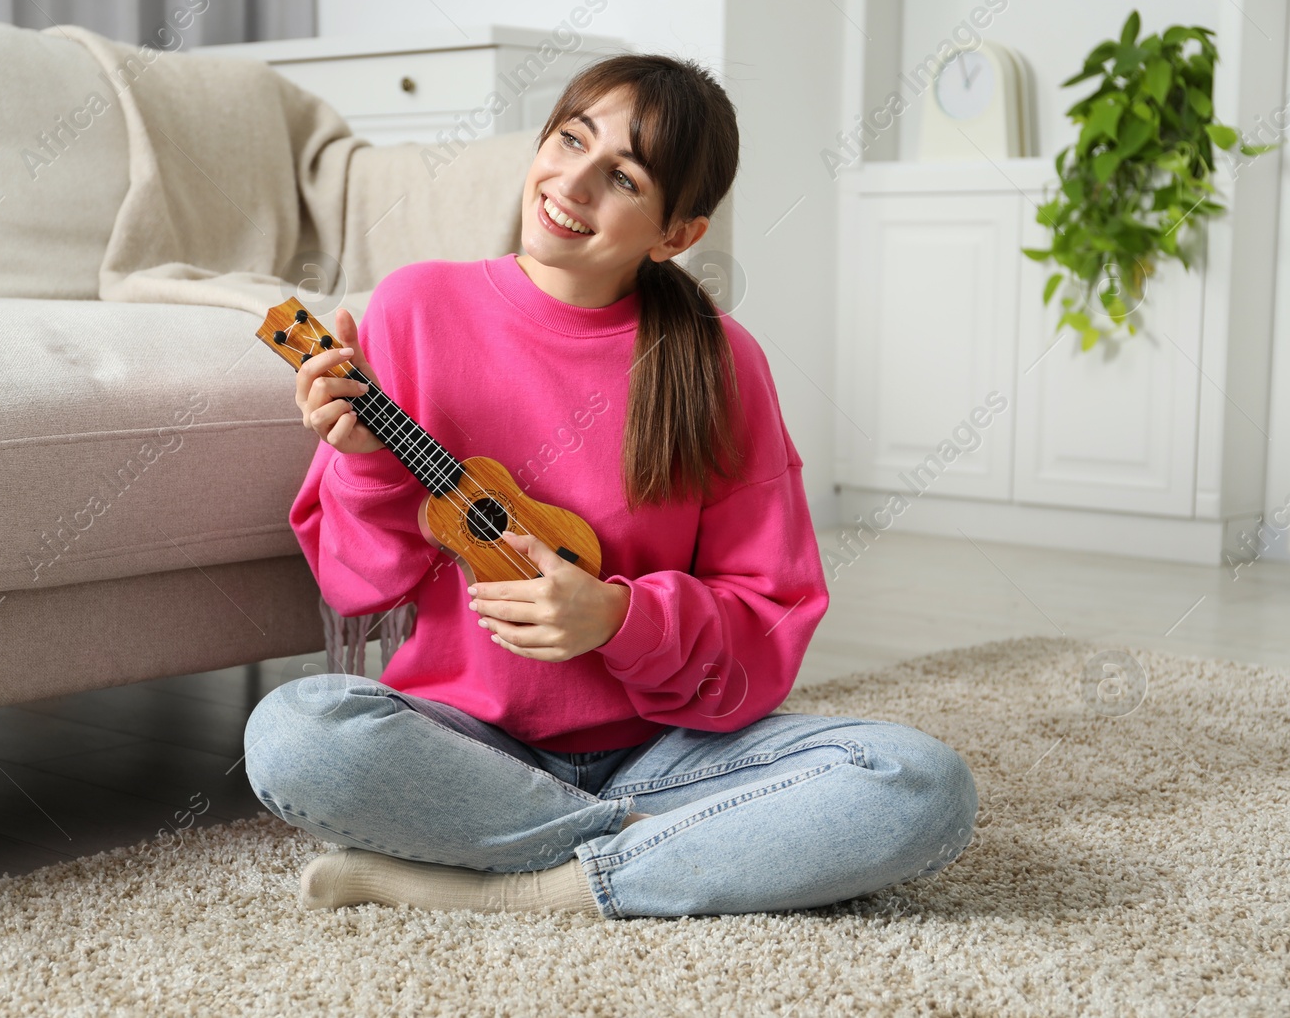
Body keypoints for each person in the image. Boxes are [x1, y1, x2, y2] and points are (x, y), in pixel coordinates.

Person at [243, 53, 978, 920]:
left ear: (677, 234)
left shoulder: (719, 360)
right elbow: (352, 586)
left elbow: (770, 618)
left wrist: (619, 620)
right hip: (463, 743)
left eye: (622, 176)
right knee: (293, 734)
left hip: (668, 750)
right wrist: (364, 458)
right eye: (569, 139)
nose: (574, 181)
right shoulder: (414, 310)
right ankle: (674, 852)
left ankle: (539, 884)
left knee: (923, 785)